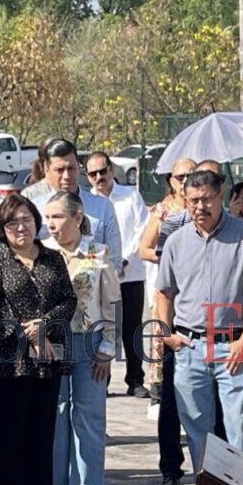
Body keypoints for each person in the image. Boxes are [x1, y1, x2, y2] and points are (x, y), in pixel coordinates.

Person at [157, 170, 243, 468]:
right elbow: (164, 293)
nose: (200, 207)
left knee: (240, 429)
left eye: (207, 199)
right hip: (189, 347)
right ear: (184, 200)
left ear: (220, 197)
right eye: (193, 200)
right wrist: (166, 333)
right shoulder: (176, 242)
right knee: (197, 429)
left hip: (232, 346)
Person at [0, 195, 76, 485]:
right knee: (10, 438)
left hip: (47, 360)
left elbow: (69, 299)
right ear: (2, 229)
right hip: (8, 362)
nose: (21, 227)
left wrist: (44, 326)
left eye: (26, 220)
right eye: (12, 223)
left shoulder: (52, 259)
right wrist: (29, 334)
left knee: (42, 434)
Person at [43, 192, 120, 485]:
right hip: (53, 344)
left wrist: (108, 347)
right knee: (55, 414)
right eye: (48, 218)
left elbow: (112, 301)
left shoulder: (98, 251)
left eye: (57, 217)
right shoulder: (43, 253)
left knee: (89, 414)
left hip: (89, 341)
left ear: (76, 217)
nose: (51, 224)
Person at [139, 157, 195, 485]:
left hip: (205, 312)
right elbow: (143, 249)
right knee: (170, 396)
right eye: (180, 176)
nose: (185, 180)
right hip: (169, 305)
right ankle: (170, 468)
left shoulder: (208, 211)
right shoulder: (162, 211)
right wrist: (172, 255)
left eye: (191, 174)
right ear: (170, 180)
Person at [87, 151, 150, 398]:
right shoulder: (87, 203)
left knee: (132, 328)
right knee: (105, 326)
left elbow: (142, 228)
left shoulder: (130, 196)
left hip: (131, 274)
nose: (99, 177)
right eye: (93, 173)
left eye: (103, 171)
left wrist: (124, 259)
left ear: (111, 170)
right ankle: (104, 379)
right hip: (102, 278)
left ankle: (135, 380)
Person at [22, 138, 122, 273]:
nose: (67, 176)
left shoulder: (102, 206)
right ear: (46, 169)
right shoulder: (32, 205)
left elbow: (114, 262)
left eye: (71, 168)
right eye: (60, 170)